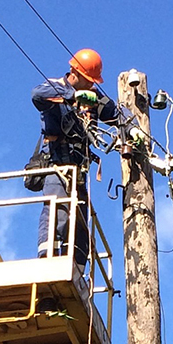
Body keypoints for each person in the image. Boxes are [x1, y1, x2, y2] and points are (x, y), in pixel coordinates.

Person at [31, 48, 121, 272]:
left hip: (79, 174)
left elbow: (117, 114)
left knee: (81, 228)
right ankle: (47, 265)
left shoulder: (93, 98)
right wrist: (72, 96)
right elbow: (36, 95)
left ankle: (77, 274)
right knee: (57, 212)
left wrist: (135, 129)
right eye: (89, 81)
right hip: (57, 168)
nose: (92, 86)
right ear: (75, 72)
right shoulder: (55, 87)